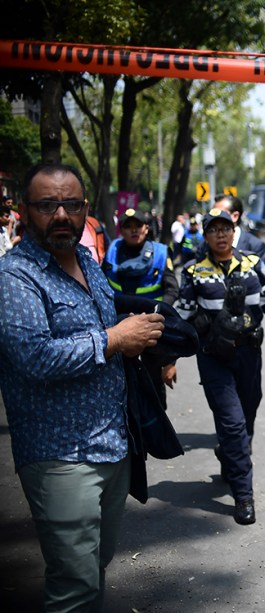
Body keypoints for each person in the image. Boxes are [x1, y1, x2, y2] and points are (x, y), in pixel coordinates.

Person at [0, 162, 165, 611]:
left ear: (85, 210)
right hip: (60, 455)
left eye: (70, 204)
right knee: (74, 586)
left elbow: (108, 325)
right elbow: (35, 356)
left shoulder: (89, 262)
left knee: (95, 567)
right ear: (24, 210)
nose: (60, 215)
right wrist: (115, 339)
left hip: (112, 444)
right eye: (47, 205)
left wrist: (140, 337)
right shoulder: (15, 276)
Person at [176, 207, 265, 525]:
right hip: (214, 358)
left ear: (234, 231)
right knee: (232, 424)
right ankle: (244, 495)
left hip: (248, 355)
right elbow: (182, 318)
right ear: (205, 235)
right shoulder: (194, 272)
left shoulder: (253, 264)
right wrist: (168, 358)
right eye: (213, 230)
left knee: (248, 415)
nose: (221, 234)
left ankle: (232, 455)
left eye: (225, 228)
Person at [103, 207, 180, 409]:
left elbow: (172, 290)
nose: (134, 230)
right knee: (121, 394)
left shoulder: (161, 253)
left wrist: (156, 314)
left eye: (138, 226)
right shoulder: (111, 251)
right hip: (118, 330)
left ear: (146, 228)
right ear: (122, 230)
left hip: (153, 330)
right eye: (128, 227)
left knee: (153, 394)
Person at [211, 193, 265, 260]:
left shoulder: (254, 245)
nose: (214, 218)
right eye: (212, 214)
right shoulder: (206, 245)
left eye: (220, 214)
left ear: (235, 216)